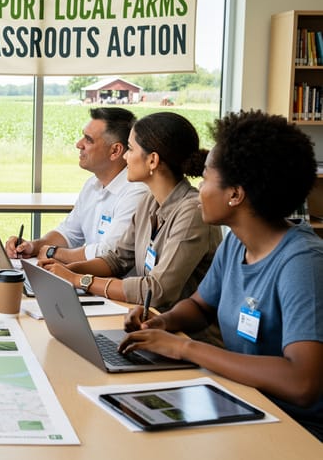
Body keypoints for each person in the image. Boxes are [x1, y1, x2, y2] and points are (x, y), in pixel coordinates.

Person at [118, 110, 323, 441]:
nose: (198, 189)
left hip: (295, 431)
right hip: (242, 402)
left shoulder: (302, 264)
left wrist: (185, 349)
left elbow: (302, 383)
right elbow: (200, 307)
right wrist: (163, 322)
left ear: (235, 194)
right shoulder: (235, 244)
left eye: (206, 179)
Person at [41, 112, 222, 313]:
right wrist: (64, 272)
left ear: (152, 161)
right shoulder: (149, 202)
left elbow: (157, 290)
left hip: (185, 336)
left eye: (130, 149)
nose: (125, 156)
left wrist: (78, 280)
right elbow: (116, 259)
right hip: (149, 323)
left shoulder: (191, 213)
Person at [5, 107, 148, 263]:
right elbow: (68, 233)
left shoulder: (137, 193)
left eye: (88, 139)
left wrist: (54, 253)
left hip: (112, 284)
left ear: (115, 151)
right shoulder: (92, 184)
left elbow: (108, 252)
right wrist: (32, 246)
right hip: (87, 280)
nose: (78, 144)